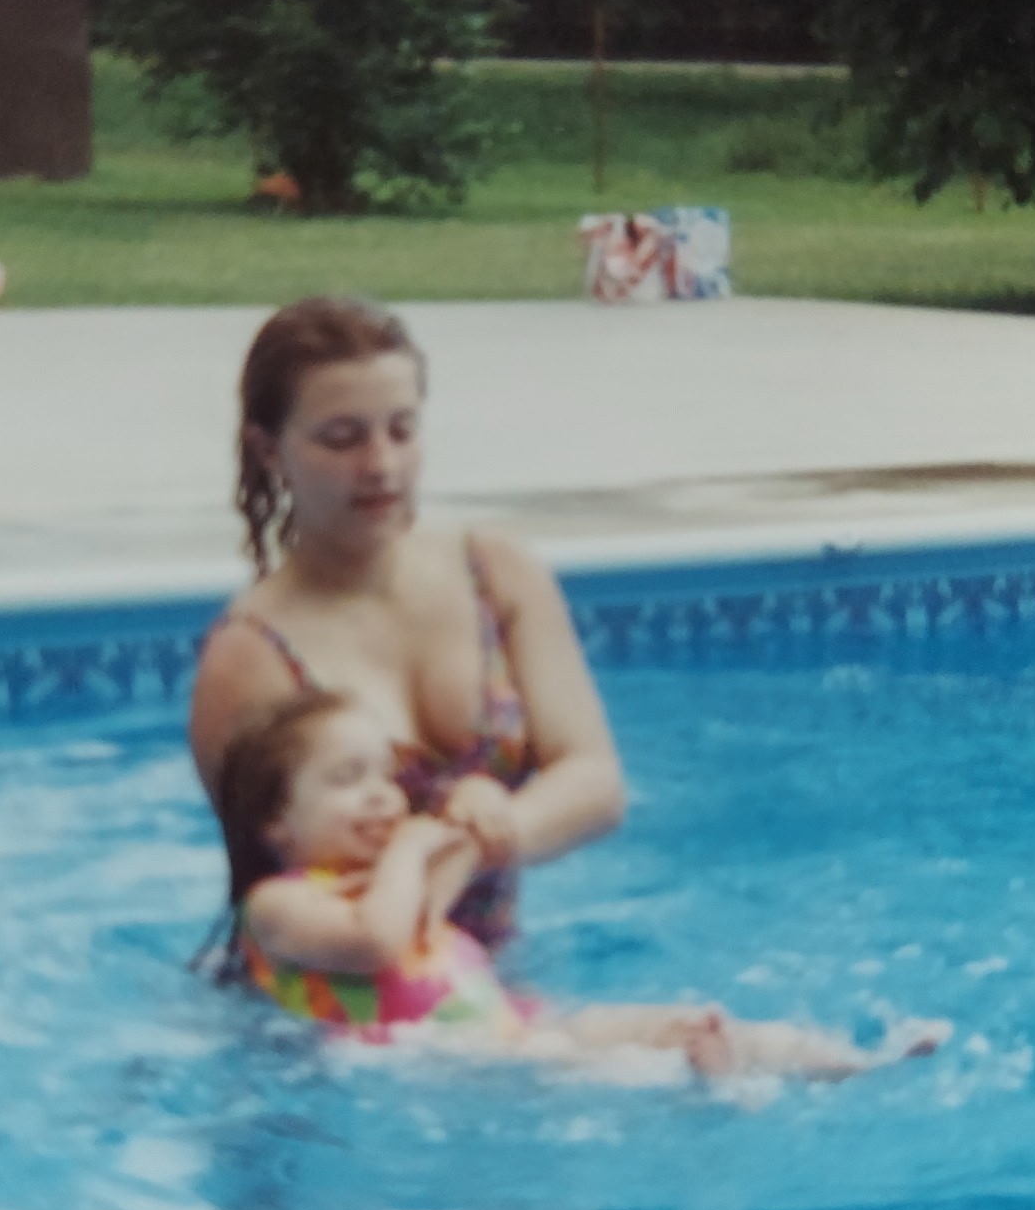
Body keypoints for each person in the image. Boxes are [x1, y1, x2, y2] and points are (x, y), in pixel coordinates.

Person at [209, 688, 950, 1083]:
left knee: (676, 1022)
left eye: (385, 774)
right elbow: (375, 943)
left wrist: (474, 804)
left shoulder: (393, 874)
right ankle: (702, 1088)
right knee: (594, 1070)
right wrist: (411, 845)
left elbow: (469, 852)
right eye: (347, 779)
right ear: (277, 822)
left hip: (511, 1025)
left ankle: (846, 1062)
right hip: (447, 1065)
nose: (381, 794)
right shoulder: (279, 905)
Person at [188, 295, 627, 953]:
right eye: (341, 438)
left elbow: (595, 780)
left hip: (487, 983)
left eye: (401, 430)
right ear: (268, 449)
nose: (380, 465)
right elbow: (276, 892)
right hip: (340, 1000)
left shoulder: (495, 574)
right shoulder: (250, 659)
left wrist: (481, 841)